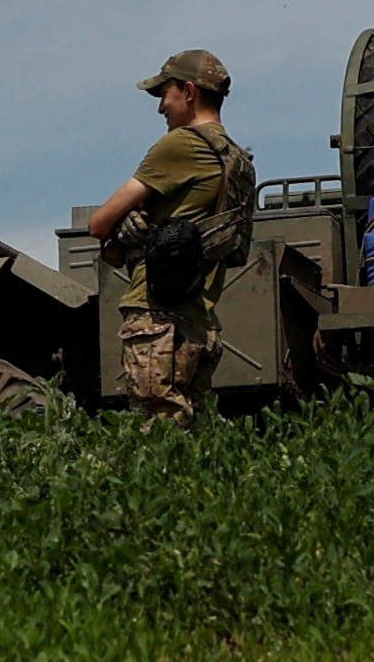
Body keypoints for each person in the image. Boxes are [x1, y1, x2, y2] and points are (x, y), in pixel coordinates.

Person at [88, 49, 257, 423]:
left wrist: (128, 223)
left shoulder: (180, 144)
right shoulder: (237, 160)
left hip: (157, 316)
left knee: (158, 432)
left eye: (166, 93)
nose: (161, 107)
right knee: (190, 433)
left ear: (190, 91)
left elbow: (98, 224)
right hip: (199, 319)